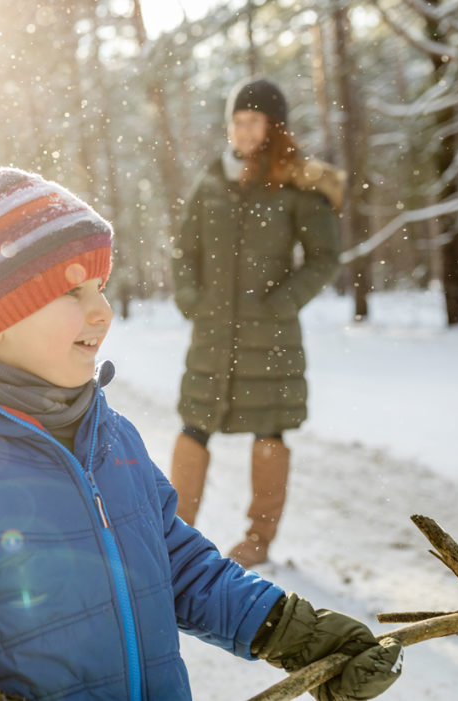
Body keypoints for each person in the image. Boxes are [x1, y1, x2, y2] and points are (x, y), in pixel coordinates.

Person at [0, 168, 400, 700]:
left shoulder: (110, 435)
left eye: (99, 287)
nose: (103, 311)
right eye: (73, 291)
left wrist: (292, 633)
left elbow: (175, 565)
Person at [168, 77, 344, 568]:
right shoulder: (211, 182)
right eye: (237, 121)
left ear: (274, 126)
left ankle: (257, 541)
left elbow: (325, 256)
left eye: (254, 121)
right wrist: (190, 299)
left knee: (270, 431)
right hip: (212, 332)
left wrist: (283, 302)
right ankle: (176, 538)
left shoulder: (297, 184)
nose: (244, 131)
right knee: (193, 425)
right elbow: (186, 251)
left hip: (272, 335)